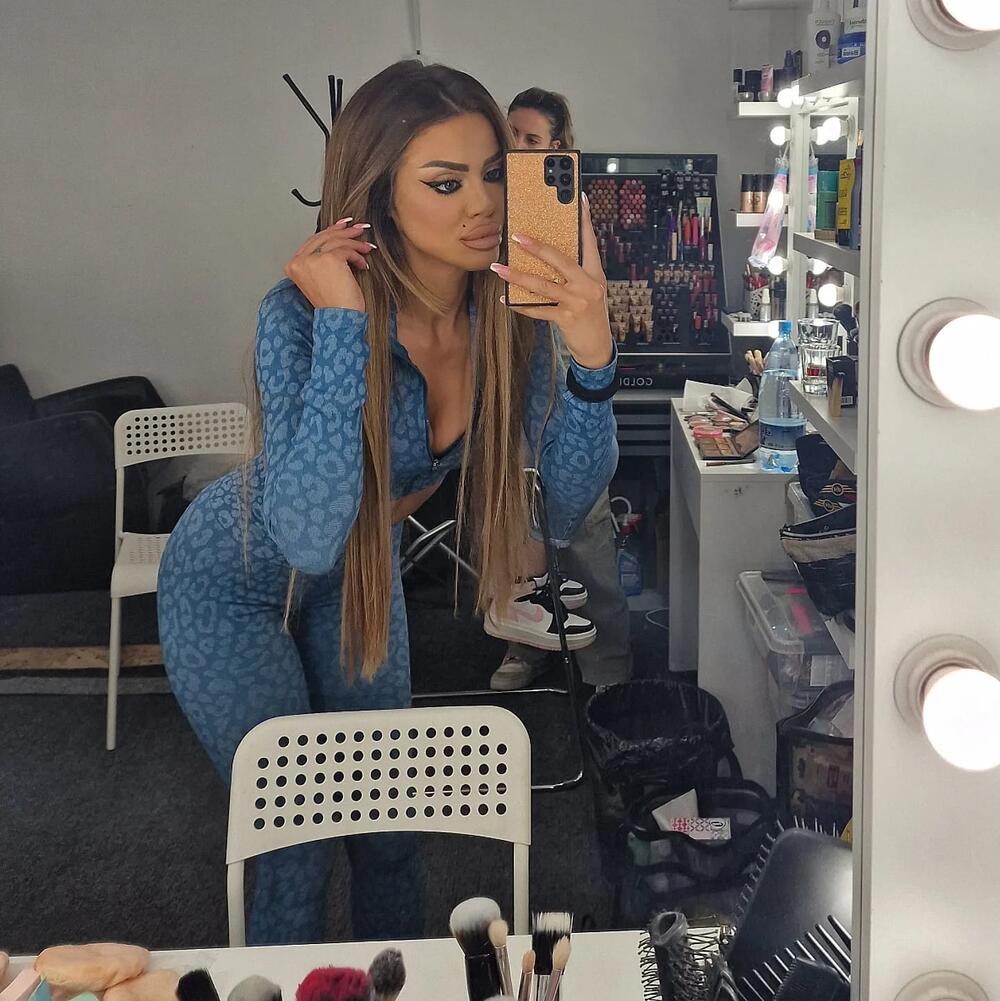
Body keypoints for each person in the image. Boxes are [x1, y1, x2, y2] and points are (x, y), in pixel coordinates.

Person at [156, 61, 618, 945]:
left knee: (391, 831)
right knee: (294, 844)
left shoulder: (507, 315)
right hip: (234, 579)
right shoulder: (300, 314)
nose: (483, 205)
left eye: (494, 173)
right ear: (379, 196)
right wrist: (344, 327)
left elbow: (561, 508)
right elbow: (308, 532)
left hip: (360, 577)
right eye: (445, 183)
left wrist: (592, 355)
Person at [487, 86, 633, 693]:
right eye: (511, 135)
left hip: (563, 364)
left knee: (588, 527)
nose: (518, 147)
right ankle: (527, 645)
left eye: (532, 140)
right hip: (504, 369)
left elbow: (590, 302)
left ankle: (608, 670)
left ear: (557, 148)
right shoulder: (484, 200)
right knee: (513, 517)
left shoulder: (569, 210)